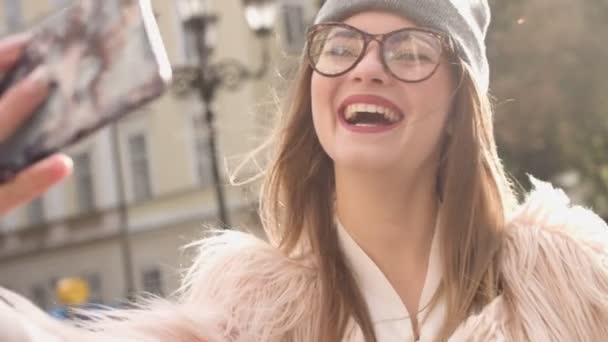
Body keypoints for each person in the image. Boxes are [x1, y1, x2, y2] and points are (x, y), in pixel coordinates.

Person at [1, 0, 608, 341]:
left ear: (459, 106)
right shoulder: (240, 325)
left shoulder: (576, 294)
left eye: (412, 52)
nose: (368, 68)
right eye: (341, 46)